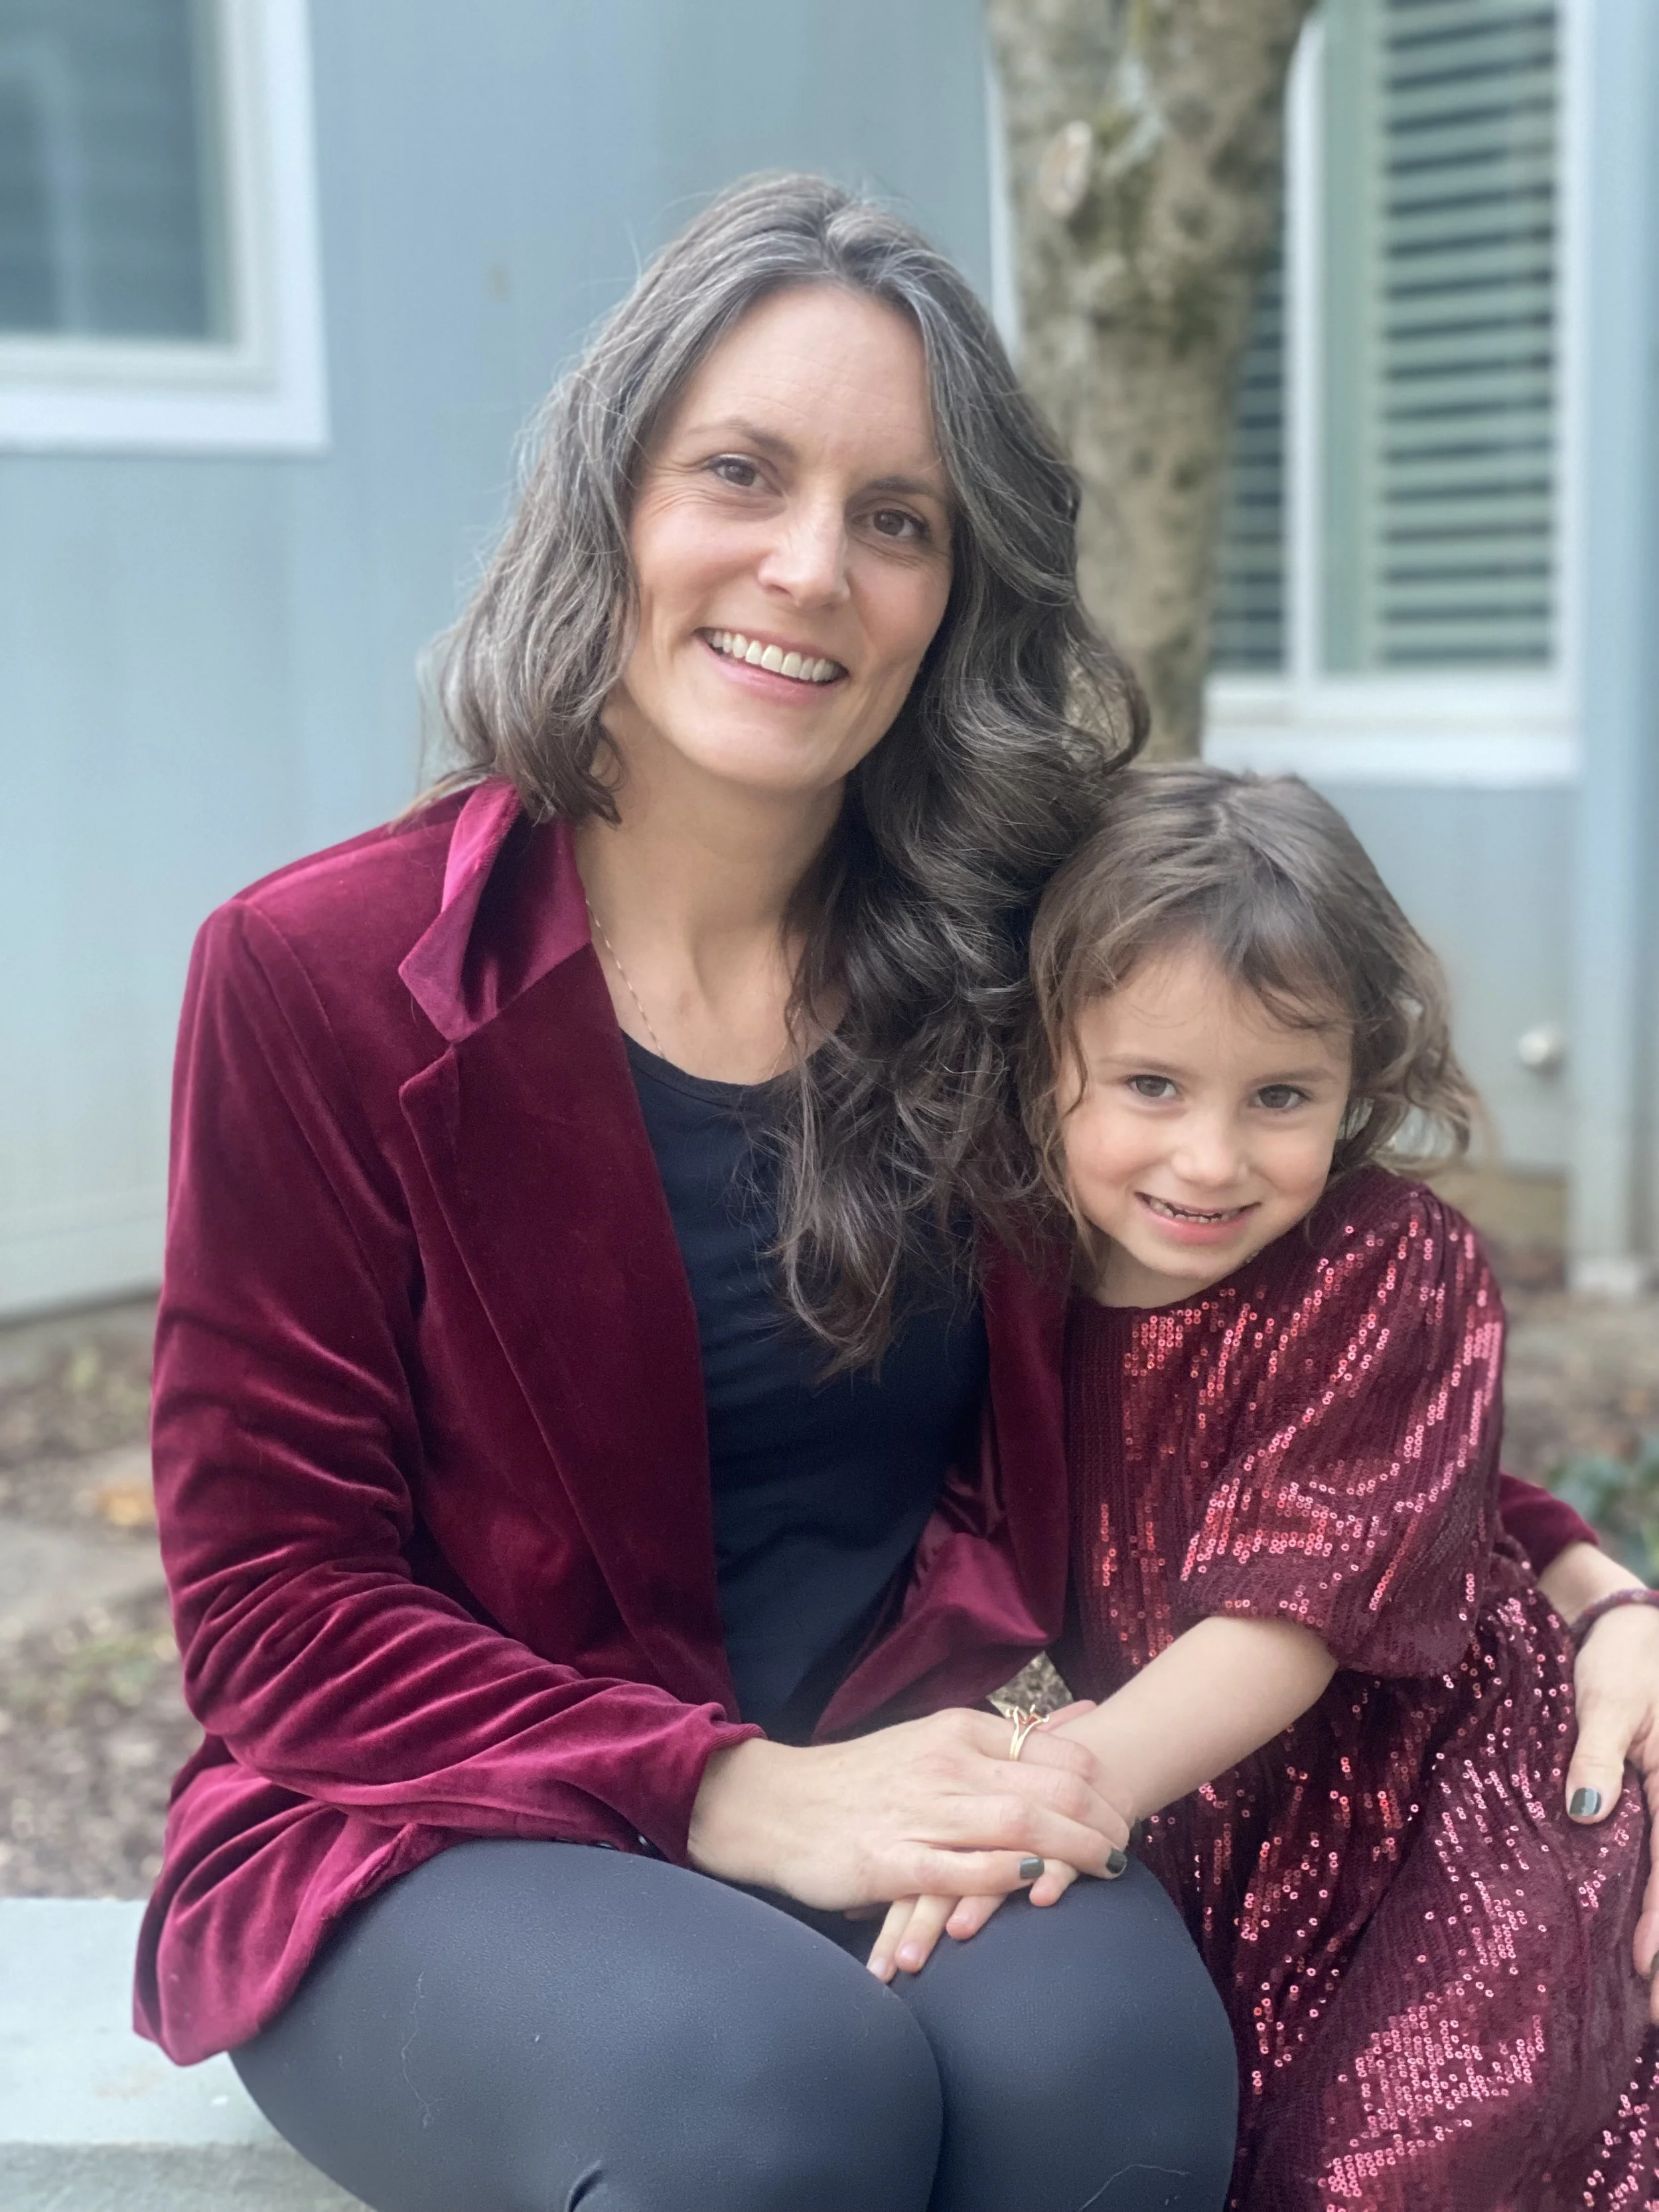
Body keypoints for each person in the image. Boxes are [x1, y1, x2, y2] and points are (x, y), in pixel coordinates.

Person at [131, 175, 1648, 2212]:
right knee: (766, 2100)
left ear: (954, 591)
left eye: (898, 518)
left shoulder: (1010, 955)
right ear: (610, 501)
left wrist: (1595, 1592)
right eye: (740, 473)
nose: (809, 567)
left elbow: (1278, 1331)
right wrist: (733, 1793)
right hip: (428, 1813)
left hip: (899, 1751)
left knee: (1111, 2075)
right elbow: (275, 1607)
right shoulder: (319, 978)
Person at [873, 765, 1658, 2209]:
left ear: (1360, 1078)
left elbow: (1286, 1621)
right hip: (1195, 1801)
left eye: (1280, 1095)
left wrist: (1055, 1794)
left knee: (1393, 2151)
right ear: (1046, 1054)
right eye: (1151, 1085)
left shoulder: (1385, 1263)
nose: (1211, 1157)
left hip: (1429, 1811)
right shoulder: (1012, 1271)